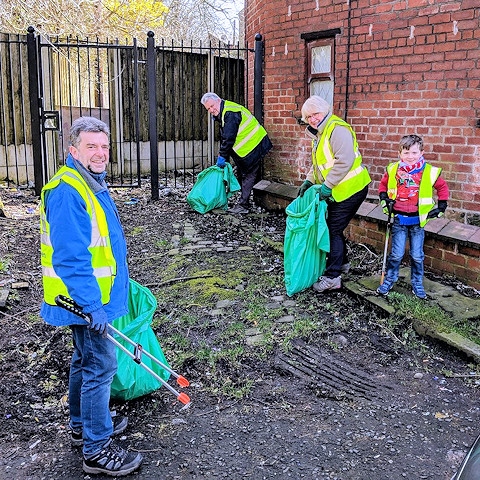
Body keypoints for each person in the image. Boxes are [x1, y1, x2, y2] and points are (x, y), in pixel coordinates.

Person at [39, 116, 143, 476]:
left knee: (84, 360)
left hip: (87, 297)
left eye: (104, 146)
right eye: (91, 146)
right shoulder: (69, 191)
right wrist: (91, 305)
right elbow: (71, 257)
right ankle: (96, 449)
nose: (100, 153)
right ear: (73, 149)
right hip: (84, 300)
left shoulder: (87, 181)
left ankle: (81, 424)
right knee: (101, 366)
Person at [298, 95, 371, 293]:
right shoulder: (320, 132)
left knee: (332, 230)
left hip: (352, 189)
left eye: (315, 114)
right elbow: (320, 165)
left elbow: (344, 161)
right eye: (308, 116)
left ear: (325, 110)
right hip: (339, 189)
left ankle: (333, 277)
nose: (312, 119)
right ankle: (343, 264)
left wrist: (327, 186)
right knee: (333, 228)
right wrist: (309, 180)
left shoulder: (337, 129)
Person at [376, 134, 449, 299]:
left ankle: (417, 282)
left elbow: (442, 187)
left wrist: (442, 206)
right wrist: (383, 198)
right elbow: (383, 184)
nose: (410, 157)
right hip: (399, 219)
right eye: (406, 153)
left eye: (414, 153)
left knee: (417, 255)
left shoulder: (428, 171)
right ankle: (390, 279)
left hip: (418, 221)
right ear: (400, 153)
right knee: (396, 254)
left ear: (422, 152)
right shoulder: (394, 169)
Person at [201, 92, 273, 214]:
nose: (211, 110)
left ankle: (243, 205)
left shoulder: (230, 113)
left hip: (255, 144)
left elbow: (228, 138)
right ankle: (246, 200)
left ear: (218, 100)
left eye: (212, 106)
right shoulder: (225, 111)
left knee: (248, 174)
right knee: (243, 174)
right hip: (250, 145)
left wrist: (222, 156)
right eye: (208, 109)